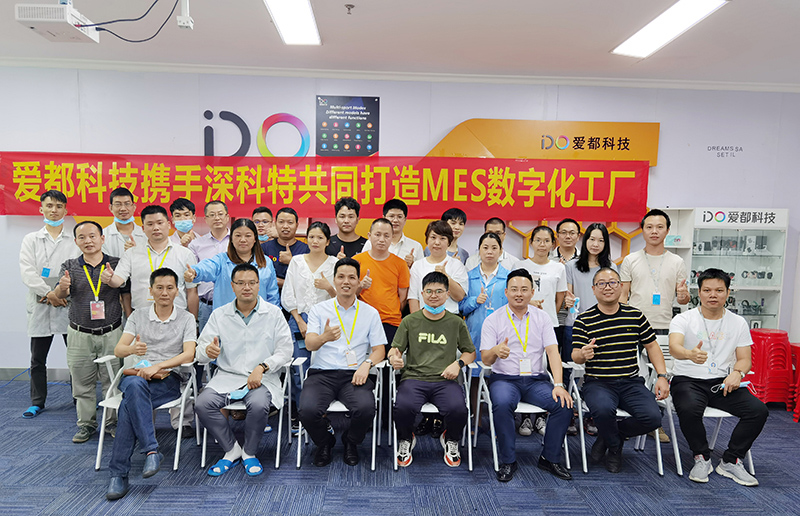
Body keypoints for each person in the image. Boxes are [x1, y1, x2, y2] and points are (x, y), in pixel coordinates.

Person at [668, 268, 768, 486]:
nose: (713, 295)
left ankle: (731, 460)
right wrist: (689, 354)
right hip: (688, 380)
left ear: (728, 293)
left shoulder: (738, 322)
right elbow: (674, 347)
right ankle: (702, 457)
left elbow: (745, 359)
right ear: (699, 292)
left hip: (722, 382)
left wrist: (738, 373)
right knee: (689, 408)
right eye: (707, 290)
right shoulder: (683, 319)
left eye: (719, 290)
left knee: (758, 411)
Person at [105, 268, 197, 500]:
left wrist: (159, 366)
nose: (164, 292)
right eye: (159, 288)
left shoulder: (186, 318)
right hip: (137, 375)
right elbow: (119, 349)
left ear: (177, 291)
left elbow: (189, 354)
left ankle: (118, 474)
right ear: (150, 291)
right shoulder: (138, 316)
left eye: (169, 288)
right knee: (135, 386)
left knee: (128, 405)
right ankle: (151, 450)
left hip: (167, 379)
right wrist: (132, 349)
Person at [195, 263, 294, 477]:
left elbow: (286, 350)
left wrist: (263, 366)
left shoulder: (274, 314)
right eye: (240, 283)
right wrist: (208, 351)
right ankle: (231, 449)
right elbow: (200, 351)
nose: (246, 287)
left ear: (259, 285)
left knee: (258, 404)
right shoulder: (220, 314)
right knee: (202, 404)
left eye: (251, 283)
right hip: (228, 377)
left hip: (263, 378)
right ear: (232, 286)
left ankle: (249, 452)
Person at [571, 267, 670, 473]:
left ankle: (610, 437)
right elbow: (575, 355)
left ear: (621, 287)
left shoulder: (635, 315)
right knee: (602, 411)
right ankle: (615, 447)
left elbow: (652, 346)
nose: (607, 287)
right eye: (601, 283)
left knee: (653, 417)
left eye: (612, 282)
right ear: (593, 289)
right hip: (598, 382)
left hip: (631, 382)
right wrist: (583, 354)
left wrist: (662, 375)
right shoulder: (584, 319)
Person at [481, 269, 573, 482]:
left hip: (535, 381)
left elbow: (553, 352)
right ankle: (508, 461)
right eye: (514, 289)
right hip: (504, 379)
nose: (519, 294)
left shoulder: (542, 318)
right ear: (506, 292)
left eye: (524, 289)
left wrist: (559, 384)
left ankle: (549, 458)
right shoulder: (493, 320)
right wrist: (496, 351)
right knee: (502, 403)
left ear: (532, 292)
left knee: (563, 404)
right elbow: (485, 359)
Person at [299, 258, 387, 466]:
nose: (346, 282)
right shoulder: (319, 310)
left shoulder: (370, 312)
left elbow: (380, 350)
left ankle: (351, 441)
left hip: (354, 374)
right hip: (322, 374)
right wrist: (324, 338)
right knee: (307, 411)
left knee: (366, 409)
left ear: (358, 282)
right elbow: (310, 344)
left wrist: (366, 365)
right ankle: (325, 442)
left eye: (351, 277)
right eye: (341, 277)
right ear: (334, 280)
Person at [390, 271, 476, 468]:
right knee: (402, 407)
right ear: (422, 294)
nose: (434, 295)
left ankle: (451, 439)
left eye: (439, 291)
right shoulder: (410, 321)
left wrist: (458, 364)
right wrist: (394, 357)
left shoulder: (456, 322)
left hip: (445, 381)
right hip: (414, 379)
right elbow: (395, 349)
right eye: (429, 291)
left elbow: (470, 353)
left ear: (447, 294)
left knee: (458, 409)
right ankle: (405, 439)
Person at [620, 209, 689, 443]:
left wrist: (684, 296)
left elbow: (683, 299)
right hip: (633, 327)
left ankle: (655, 423)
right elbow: (623, 295)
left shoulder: (677, 261)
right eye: (649, 227)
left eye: (659, 227)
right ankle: (635, 419)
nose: (654, 231)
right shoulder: (631, 260)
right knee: (634, 376)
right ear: (642, 230)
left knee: (660, 376)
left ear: (667, 230)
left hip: (664, 327)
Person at [53, 221, 123, 443]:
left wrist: (112, 280)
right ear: (76, 242)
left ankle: (112, 423)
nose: (88, 241)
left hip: (111, 331)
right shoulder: (70, 266)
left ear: (102, 239)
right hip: (79, 333)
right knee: (82, 383)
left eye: (92, 236)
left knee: (113, 382)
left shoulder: (115, 264)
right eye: (82, 237)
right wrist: (63, 286)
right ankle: (86, 425)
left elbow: (124, 290)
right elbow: (59, 295)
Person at [19, 190, 80, 418]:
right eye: (49, 205)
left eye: (59, 206)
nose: (54, 210)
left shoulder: (74, 239)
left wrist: (60, 293)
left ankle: (80, 398)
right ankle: (37, 401)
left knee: (75, 357)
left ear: (65, 210)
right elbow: (27, 272)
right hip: (40, 302)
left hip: (67, 302)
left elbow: (78, 270)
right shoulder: (31, 239)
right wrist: (48, 293)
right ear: (41, 208)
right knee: (37, 359)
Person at [281, 221, 338, 430]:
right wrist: (299, 321)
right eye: (311, 237)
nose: (315, 241)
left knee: (324, 370)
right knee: (299, 370)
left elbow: (342, 297)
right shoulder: (297, 262)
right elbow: (288, 294)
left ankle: (321, 415)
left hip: (327, 323)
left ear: (327, 241)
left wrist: (329, 287)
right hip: (300, 321)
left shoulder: (334, 263)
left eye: (320, 237)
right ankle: (301, 414)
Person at [102, 205, 198, 317]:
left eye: (160, 223)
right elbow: (118, 280)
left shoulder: (185, 254)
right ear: (143, 228)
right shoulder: (131, 253)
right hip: (142, 317)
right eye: (150, 224)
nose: (156, 228)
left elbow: (192, 291)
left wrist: (194, 321)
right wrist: (109, 278)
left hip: (177, 316)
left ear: (168, 224)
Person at [520, 225, 567, 436]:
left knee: (545, 369)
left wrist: (546, 317)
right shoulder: (521, 265)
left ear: (552, 244)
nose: (542, 244)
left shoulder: (558, 268)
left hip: (549, 325)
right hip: (523, 325)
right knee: (525, 368)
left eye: (546, 241)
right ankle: (525, 419)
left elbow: (559, 297)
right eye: (538, 240)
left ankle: (541, 417)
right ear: (531, 243)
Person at [184, 218, 279, 310]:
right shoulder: (221, 260)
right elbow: (207, 267)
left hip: (259, 317)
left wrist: (274, 315)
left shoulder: (266, 262)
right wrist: (195, 272)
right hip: (226, 317)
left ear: (255, 238)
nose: (243, 240)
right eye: (238, 235)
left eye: (248, 236)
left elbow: (272, 295)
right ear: (231, 239)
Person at [354, 218, 410, 345]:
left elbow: (403, 299)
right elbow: (349, 296)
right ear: (369, 236)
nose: (381, 239)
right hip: (362, 321)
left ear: (392, 237)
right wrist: (361, 286)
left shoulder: (400, 264)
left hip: (391, 322)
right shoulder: (356, 261)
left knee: (389, 357)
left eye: (386, 236)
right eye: (377, 234)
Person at [460, 233, 510, 375]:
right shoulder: (469, 276)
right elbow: (461, 307)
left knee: (499, 374)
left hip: (502, 332)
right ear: (479, 250)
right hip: (475, 331)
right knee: (474, 374)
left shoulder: (509, 277)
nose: (489, 252)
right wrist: (474, 301)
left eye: (494, 248)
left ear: (500, 251)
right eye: (485, 247)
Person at [102, 187, 146, 319]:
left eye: (127, 204)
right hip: (111, 293)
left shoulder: (145, 234)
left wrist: (136, 253)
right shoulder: (102, 235)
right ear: (110, 208)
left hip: (141, 293)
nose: (123, 208)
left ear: (134, 207)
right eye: (118, 204)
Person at [408, 220, 468, 314]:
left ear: (449, 242)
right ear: (427, 240)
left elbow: (459, 296)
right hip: (424, 317)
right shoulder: (417, 265)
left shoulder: (457, 265)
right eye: (433, 237)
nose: (437, 242)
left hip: (450, 317)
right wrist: (417, 320)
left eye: (442, 238)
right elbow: (413, 297)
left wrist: (446, 276)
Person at [188, 201, 230, 332]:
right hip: (206, 305)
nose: (217, 218)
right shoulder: (196, 244)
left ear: (227, 217)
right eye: (212, 215)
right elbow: (192, 278)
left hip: (231, 304)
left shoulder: (237, 242)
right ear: (205, 219)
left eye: (220, 214)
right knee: (206, 342)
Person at [362, 198, 423, 268]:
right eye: (391, 216)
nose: (395, 220)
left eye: (399, 217)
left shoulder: (416, 246)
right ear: (384, 218)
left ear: (405, 220)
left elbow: (421, 272)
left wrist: (413, 265)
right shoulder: (371, 242)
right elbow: (363, 265)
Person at [262, 207, 310, 289]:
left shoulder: (306, 249)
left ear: (297, 225)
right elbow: (260, 277)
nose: (285, 226)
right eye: (281, 222)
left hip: (297, 295)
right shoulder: (264, 248)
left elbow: (309, 278)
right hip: (270, 295)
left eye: (290, 222)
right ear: (275, 224)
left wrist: (291, 261)